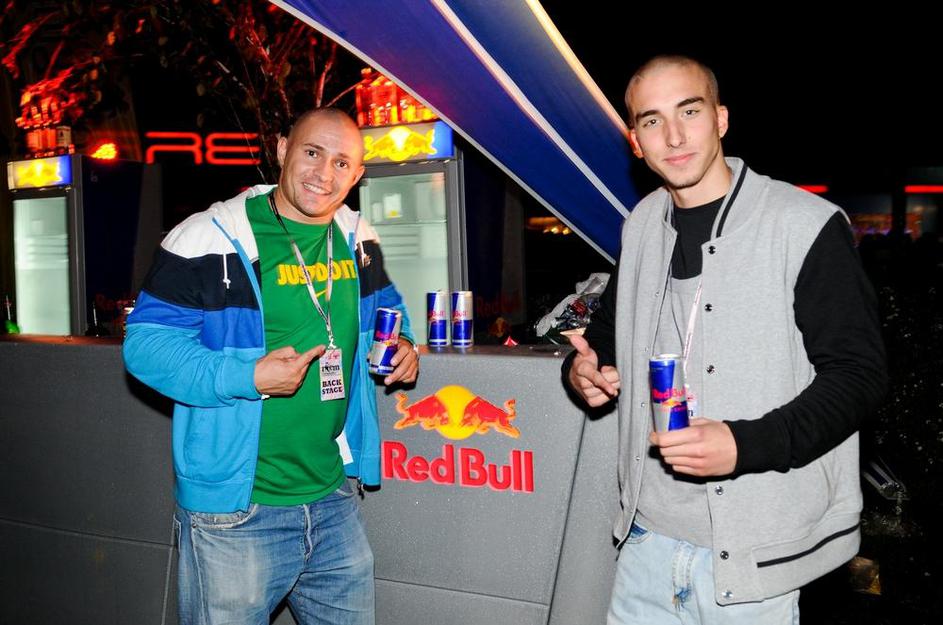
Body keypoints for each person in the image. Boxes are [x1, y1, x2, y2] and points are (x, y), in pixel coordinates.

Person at [563, 56, 886, 624]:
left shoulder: (803, 224)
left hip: (757, 553)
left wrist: (745, 444)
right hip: (646, 539)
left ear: (721, 118)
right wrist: (583, 372)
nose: (674, 136)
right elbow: (609, 337)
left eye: (689, 111)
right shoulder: (641, 224)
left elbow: (859, 377)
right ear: (635, 141)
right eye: (652, 120)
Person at [124, 108, 418, 625]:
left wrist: (404, 346)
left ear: (357, 175)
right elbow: (146, 348)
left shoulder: (356, 235)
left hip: (333, 496)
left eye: (341, 163)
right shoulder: (207, 236)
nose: (324, 174)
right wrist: (248, 377)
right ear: (282, 150)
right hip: (237, 512)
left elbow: (386, 312)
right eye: (312, 152)